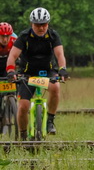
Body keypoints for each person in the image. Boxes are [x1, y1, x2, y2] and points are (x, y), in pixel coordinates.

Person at [5, 8, 68, 140]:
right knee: (23, 107)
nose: (41, 28)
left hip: (47, 72)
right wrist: (11, 71)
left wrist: (63, 69)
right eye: (37, 25)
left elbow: (60, 55)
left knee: (56, 87)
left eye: (44, 24)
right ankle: (23, 135)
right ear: (32, 24)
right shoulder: (24, 36)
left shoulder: (53, 36)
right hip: (27, 74)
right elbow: (12, 56)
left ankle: (50, 120)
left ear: (48, 23)